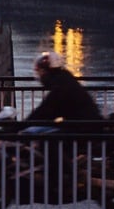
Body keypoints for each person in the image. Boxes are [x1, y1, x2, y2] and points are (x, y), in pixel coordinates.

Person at [17, 50, 105, 180]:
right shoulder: (63, 79)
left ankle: (64, 177)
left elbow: (45, 111)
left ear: (47, 71)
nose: (39, 75)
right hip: (82, 124)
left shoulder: (60, 86)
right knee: (50, 133)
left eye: (40, 71)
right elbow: (48, 111)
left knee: (48, 140)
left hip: (83, 127)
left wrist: (18, 126)